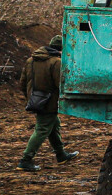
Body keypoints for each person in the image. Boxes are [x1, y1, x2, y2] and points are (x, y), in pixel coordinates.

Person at [17, 35, 78, 172]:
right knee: (42, 129)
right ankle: (25, 160)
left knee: (53, 125)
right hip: (49, 103)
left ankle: (61, 155)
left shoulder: (30, 60)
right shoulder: (56, 62)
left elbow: (22, 83)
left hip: (36, 100)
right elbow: (60, 85)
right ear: (61, 49)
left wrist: (31, 97)